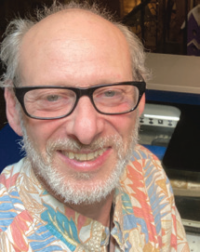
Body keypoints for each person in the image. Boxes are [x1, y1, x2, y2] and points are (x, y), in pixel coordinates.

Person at [0, 1, 189, 251]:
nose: (86, 131)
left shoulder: (147, 169)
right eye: (52, 97)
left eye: (110, 93)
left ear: (140, 99)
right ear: (13, 109)